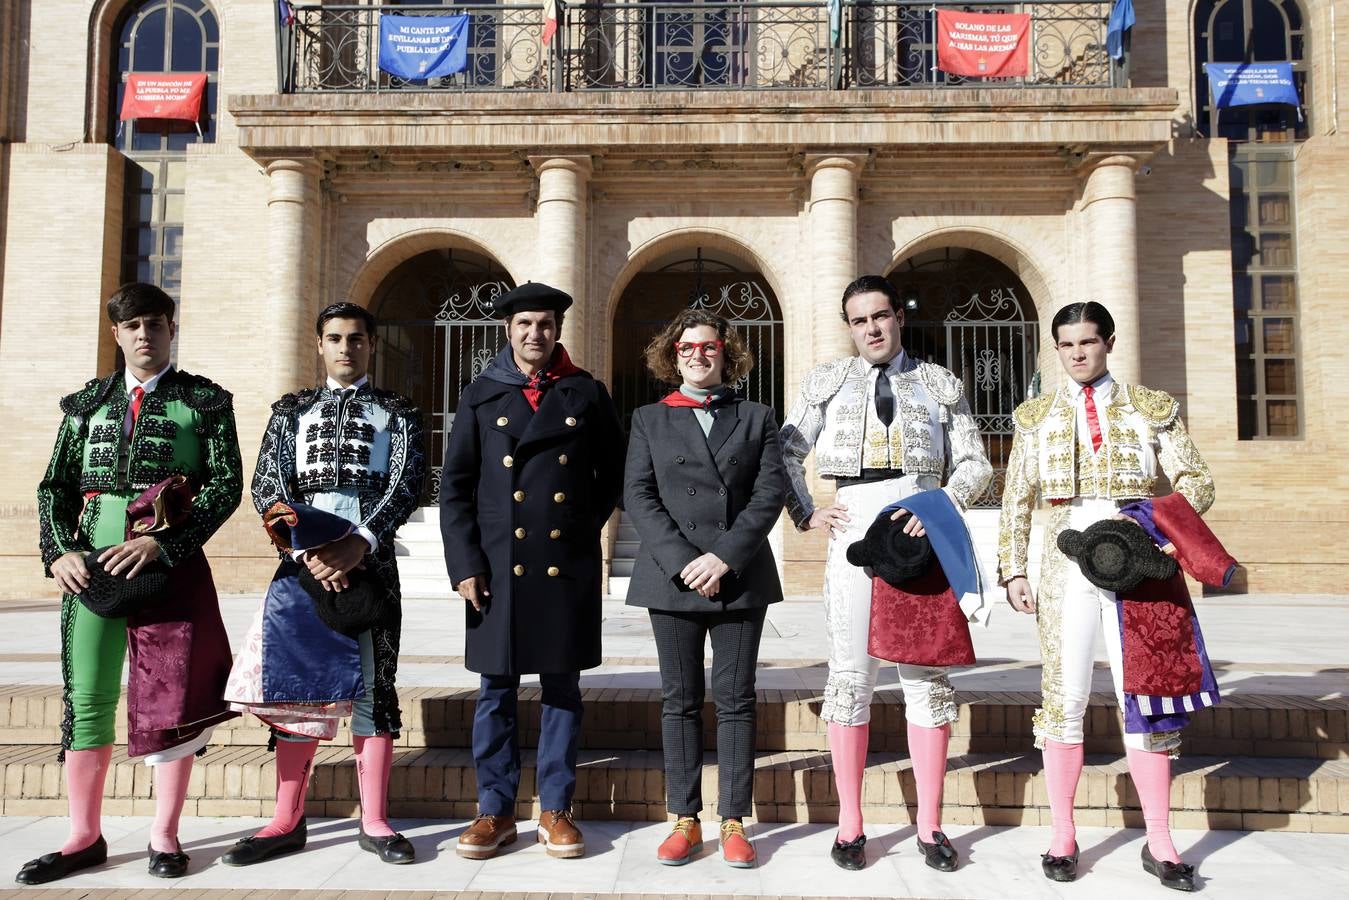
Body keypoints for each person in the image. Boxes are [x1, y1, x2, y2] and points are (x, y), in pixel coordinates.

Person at [19, 282, 242, 884]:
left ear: (173, 329)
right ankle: (82, 835)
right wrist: (58, 550)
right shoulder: (84, 405)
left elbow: (224, 487)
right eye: (134, 325)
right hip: (89, 566)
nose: (146, 334)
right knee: (88, 698)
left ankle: (165, 835)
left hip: (167, 567)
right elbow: (54, 488)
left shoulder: (205, 401)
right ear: (116, 333)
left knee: (169, 703)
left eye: (156, 323)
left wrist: (162, 543)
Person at [998, 301, 1214, 891]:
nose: (1076, 354)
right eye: (1065, 345)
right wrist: (1013, 569)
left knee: (1143, 699)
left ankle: (1160, 839)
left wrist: (1163, 533)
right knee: (1063, 698)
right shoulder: (1035, 416)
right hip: (1064, 565)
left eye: (1087, 343)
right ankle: (1063, 834)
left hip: (1139, 565)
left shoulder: (1149, 408)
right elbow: (1017, 500)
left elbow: (1196, 479)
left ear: (1109, 341)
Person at [779, 275, 991, 872]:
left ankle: (929, 826)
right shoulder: (828, 381)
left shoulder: (937, 383)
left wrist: (942, 507)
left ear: (898, 316)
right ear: (849, 326)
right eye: (857, 320)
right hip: (852, 524)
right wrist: (806, 510)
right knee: (850, 676)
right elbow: (785, 451)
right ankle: (851, 822)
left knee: (925, 678)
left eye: (879, 316)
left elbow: (975, 462)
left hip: (919, 528)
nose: (870, 328)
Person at [223, 301, 425, 867]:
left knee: (374, 686)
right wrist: (309, 549)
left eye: (356, 338)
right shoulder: (291, 412)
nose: (345, 347)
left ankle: (376, 820)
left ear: (371, 345)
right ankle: (286, 820)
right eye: (334, 338)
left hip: (371, 567)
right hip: (299, 570)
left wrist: (358, 542)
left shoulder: (397, 411)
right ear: (319, 345)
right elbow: (266, 484)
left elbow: (408, 483)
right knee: (295, 690)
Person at [440, 282, 625, 861]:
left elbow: (611, 475)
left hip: (562, 564)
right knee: (495, 688)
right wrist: (465, 563)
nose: (534, 334)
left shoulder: (585, 393)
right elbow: (456, 489)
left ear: (557, 329)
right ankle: (493, 811)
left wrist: (575, 527)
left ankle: (555, 808)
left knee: (562, 688)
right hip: (496, 567)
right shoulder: (481, 394)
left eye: (544, 324)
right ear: (508, 330)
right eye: (524, 325)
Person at [623, 309, 787, 868]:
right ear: (673, 356)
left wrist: (723, 556)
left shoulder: (758, 415)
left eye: (708, 346)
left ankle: (735, 820)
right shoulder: (649, 418)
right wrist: (685, 560)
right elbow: (639, 496)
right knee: (680, 701)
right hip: (672, 578)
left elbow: (769, 494)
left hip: (739, 575)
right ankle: (685, 819)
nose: (698, 355)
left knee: (737, 702)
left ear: (726, 352)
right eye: (687, 348)